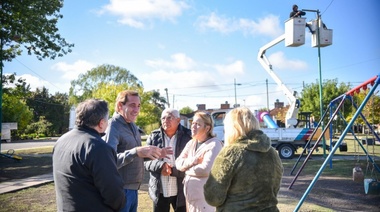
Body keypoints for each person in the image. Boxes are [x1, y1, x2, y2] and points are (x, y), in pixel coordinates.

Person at [103, 90, 172, 212]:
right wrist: (136, 151)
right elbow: (108, 161)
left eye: (138, 106)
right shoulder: (113, 126)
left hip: (133, 190)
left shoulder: (133, 125)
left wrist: (153, 154)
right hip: (120, 190)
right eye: (132, 105)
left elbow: (136, 155)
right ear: (120, 105)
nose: (136, 110)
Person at [203, 107, 284, 211]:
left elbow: (213, 198)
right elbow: (274, 190)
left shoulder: (230, 153)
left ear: (232, 128)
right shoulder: (272, 153)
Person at [53, 99, 125, 211]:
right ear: (101, 123)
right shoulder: (98, 147)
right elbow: (113, 193)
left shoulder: (61, 140)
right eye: (107, 121)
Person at [144, 108, 192, 212]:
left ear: (178, 120)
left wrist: (173, 171)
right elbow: (146, 161)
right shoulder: (154, 136)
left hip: (181, 190)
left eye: (170, 117)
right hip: (160, 190)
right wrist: (161, 166)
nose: (166, 120)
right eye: (163, 118)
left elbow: (192, 163)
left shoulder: (189, 136)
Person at [175, 111, 223, 212]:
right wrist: (193, 161)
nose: (193, 126)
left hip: (205, 202)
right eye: (193, 123)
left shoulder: (214, 144)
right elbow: (178, 163)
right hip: (190, 200)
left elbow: (205, 169)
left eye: (198, 124)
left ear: (207, 128)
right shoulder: (192, 143)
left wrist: (186, 170)